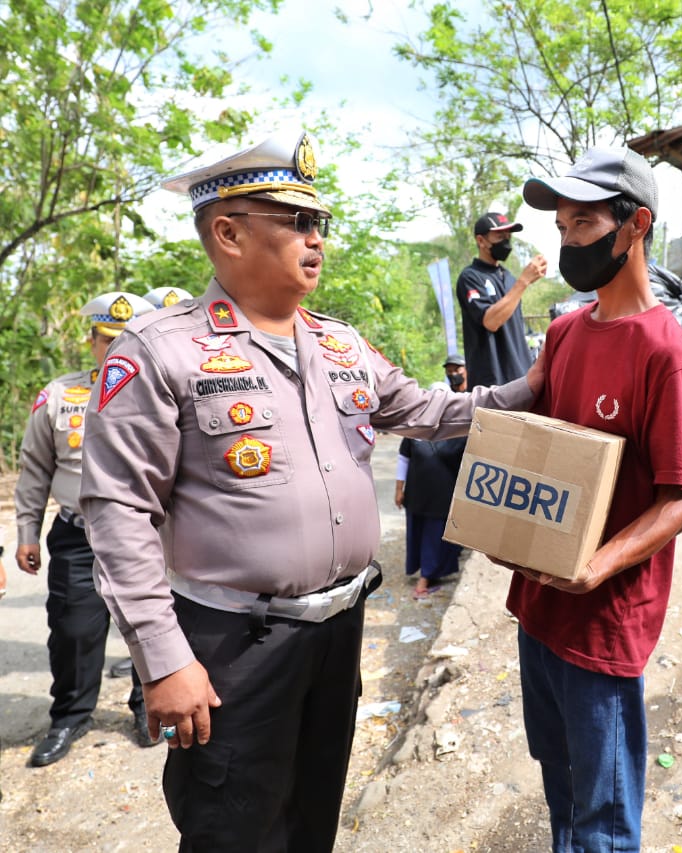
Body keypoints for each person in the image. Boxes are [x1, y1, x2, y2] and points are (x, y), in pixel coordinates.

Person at [78, 131, 543, 851]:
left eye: (319, 222)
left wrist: (533, 387)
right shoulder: (160, 349)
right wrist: (164, 659)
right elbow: (117, 514)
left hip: (336, 631)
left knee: (310, 819)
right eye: (296, 221)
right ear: (228, 232)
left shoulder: (339, 343)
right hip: (233, 644)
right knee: (233, 825)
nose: (315, 238)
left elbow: (427, 411)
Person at [504, 146, 682, 852]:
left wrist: (597, 564)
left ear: (635, 226)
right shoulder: (562, 332)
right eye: (561, 226)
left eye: (584, 222)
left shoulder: (668, 355)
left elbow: (680, 497)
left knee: (605, 814)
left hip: (603, 620)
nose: (568, 240)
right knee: (558, 777)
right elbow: (530, 442)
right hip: (537, 604)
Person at [14, 291, 154, 766]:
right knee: (73, 630)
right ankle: (70, 717)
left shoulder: (159, 391)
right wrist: (27, 532)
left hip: (145, 532)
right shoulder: (60, 395)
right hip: (79, 534)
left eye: (127, 340)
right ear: (92, 340)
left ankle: (147, 706)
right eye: (108, 340)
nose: (117, 349)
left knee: (149, 623)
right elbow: (35, 468)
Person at [395, 353, 469, 600]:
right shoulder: (416, 426)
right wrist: (399, 489)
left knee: (436, 537)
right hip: (417, 495)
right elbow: (404, 457)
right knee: (421, 535)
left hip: (442, 496)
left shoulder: (458, 429)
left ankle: (428, 576)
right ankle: (424, 580)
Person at [456, 211, 548, 387]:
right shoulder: (470, 277)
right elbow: (491, 321)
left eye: (508, 236)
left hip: (521, 377)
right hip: (492, 383)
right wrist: (524, 282)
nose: (506, 241)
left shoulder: (509, 278)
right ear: (481, 240)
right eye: (499, 236)